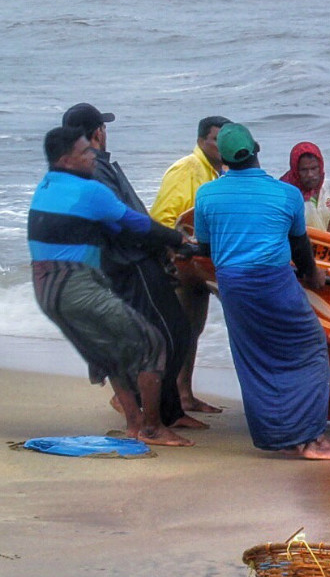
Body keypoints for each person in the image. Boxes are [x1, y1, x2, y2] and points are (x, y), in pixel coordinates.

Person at [28, 124, 191, 447]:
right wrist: (179, 240)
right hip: (75, 285)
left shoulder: (46, 185)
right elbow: (139, 224)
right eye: (85, 152)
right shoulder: (90, 192)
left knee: (111, 352)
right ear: (65, 159)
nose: (93, 156)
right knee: (152, 344)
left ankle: (134, 423)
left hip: (45, 289)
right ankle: (152, 428)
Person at [192, 124, 330, 461]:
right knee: (310, 350)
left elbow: (205, 245)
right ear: (257, 150)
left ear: (225, 159)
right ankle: (311, 440)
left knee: (255, 359)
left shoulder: (206, 194)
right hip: (273, 283)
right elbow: (299, 246)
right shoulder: (286, 195)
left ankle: (276, 435)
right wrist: (312, 275)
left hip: (233, 286)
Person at [61, 103, 202, 430]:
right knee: (170, 334)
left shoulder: (91, 166)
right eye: (103, 128)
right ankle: (153, 418)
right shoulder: (92, 169)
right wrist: (170, 240)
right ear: (97, 133)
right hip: (129, 263)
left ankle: (168, 412)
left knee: (168, 333)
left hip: (126, 260)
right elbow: (124, 221)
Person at [150, 114, 230, 416]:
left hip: (199, 266)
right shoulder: (187, 169)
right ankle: (162, 399)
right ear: (201, 141)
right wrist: (177, 250)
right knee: (177, 331)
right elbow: (162, 217)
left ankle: (185, 394)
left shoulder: (217, 173)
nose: (222, 147)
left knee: (192, 329)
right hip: (178, 263)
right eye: (216, 140)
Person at [281, 142, 330, 233]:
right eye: (304, 170)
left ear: (320, 167)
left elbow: (329, 223)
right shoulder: (286, 194)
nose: (310, 175)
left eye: (314, 168)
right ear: (295, 170)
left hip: (323, 245)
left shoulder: (325, 186)